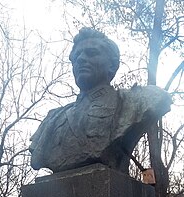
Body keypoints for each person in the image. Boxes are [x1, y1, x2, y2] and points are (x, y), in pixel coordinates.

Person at [30, 28, 171, 174]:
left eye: (92, 53)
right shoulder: (53, 118)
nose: (81, 59)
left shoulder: (139, 101)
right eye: (76, 55)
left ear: (112, 65)